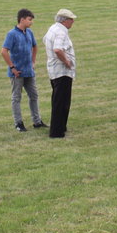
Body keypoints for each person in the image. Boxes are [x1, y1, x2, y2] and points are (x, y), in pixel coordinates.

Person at [1, 9, 45, 132]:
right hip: (17, 73)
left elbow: (35, 47)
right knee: (16, 98)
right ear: (22, 19)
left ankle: (37, 121)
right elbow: (4, 51)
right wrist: (12, 67)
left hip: (29, 71)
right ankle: (18, 123)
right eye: (29, 20)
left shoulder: (29, 32)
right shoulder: (12, 34)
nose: (31, 22)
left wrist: (33, 61)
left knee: (34, 96)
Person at [43, 9, 76, 138]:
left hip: (53, 70)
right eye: (71, 19)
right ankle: (57, 131)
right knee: (61, 102)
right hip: (62, 72)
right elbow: (57, 49)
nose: (73, 22)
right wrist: (66, 61)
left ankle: (61, 126)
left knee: (58, 100)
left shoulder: (52, 28)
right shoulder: (61, 32)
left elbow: (45, 40)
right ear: (65, 20)